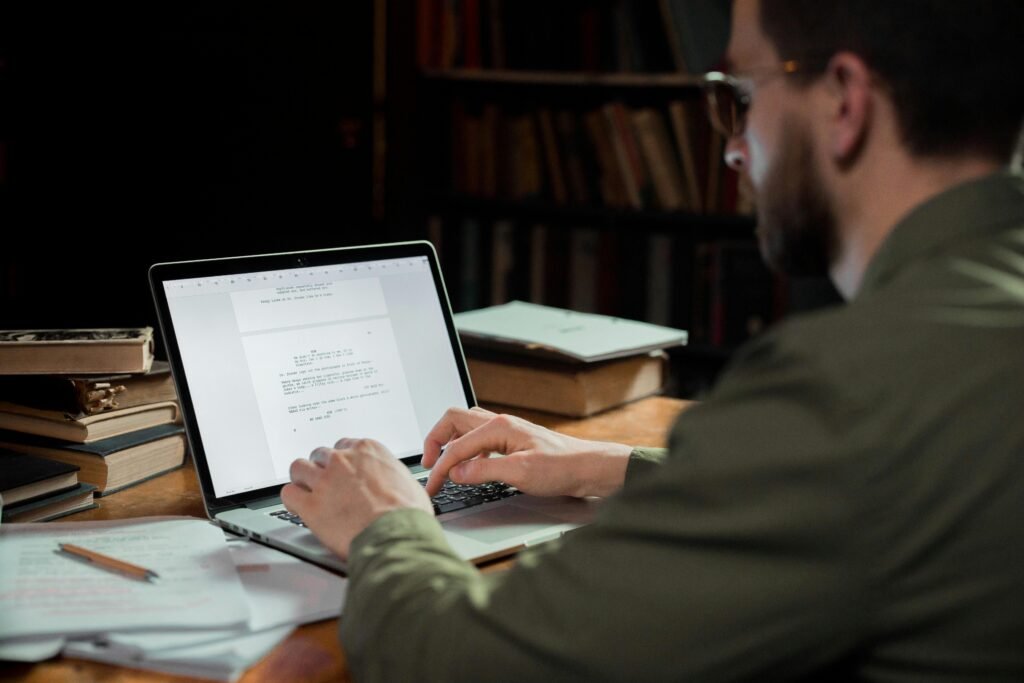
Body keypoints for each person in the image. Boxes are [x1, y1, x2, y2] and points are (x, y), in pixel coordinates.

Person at [283, 0, 1024, 679]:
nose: (733, 148)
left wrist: (387, 522)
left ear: (844, 102)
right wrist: (607, 463)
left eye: (741, 94)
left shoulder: (847, 388)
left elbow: (468, 661)